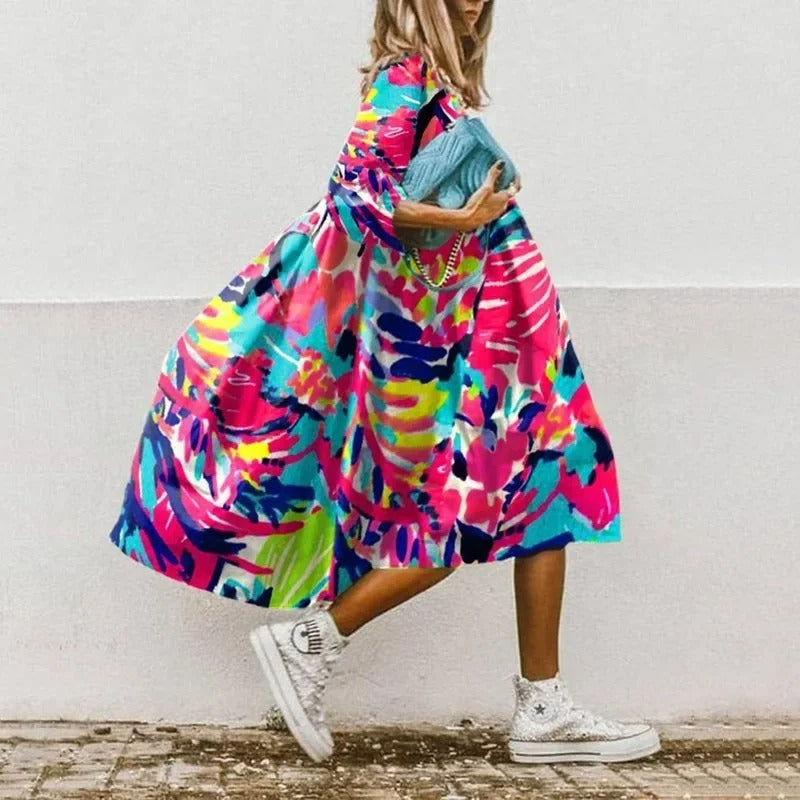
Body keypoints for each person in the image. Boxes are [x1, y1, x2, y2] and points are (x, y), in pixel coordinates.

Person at [109, 0, 660, 766]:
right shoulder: (406, 75)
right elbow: (356, 195)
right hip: (458, 340)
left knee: (552, 484)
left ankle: (539, 704)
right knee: (481, 504)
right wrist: (466, 220)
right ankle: (316, 642)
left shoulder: (437, 83)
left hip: (498, 332)